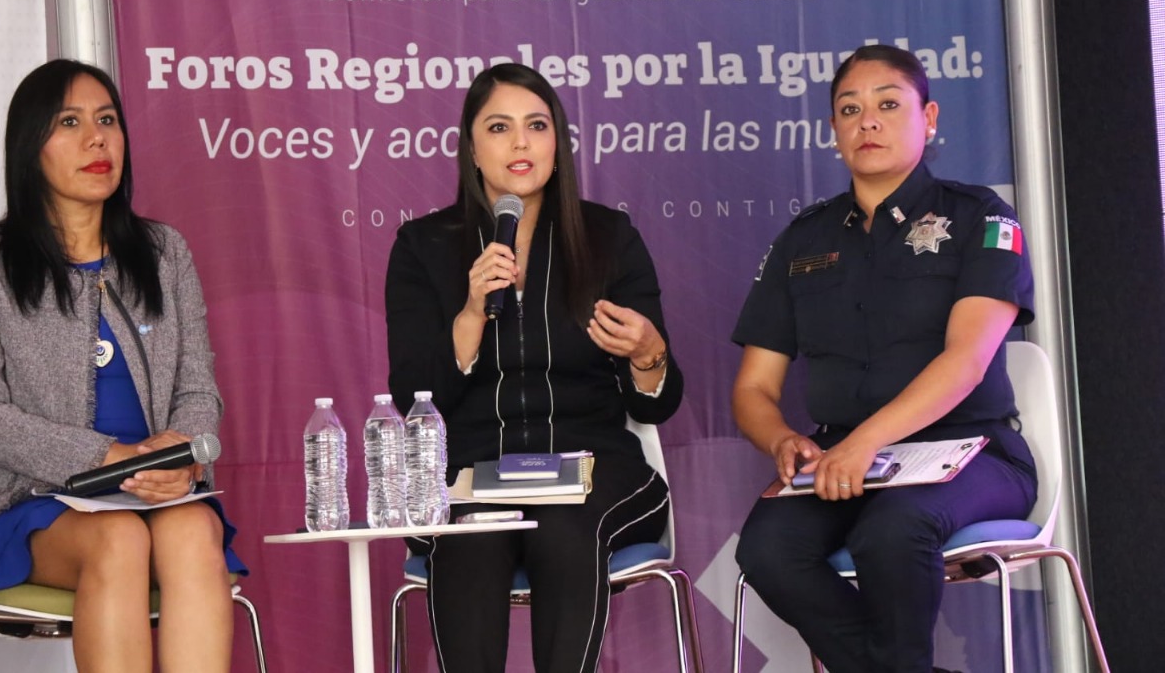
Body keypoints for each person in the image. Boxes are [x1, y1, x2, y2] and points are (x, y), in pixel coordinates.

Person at [730, 44, 1039, 673]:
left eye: (888, 104)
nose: (867, 121)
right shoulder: (802, 240)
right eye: (850, 109)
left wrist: (864, 443)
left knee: (892, 532)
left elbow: (966, 361)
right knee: (767, 548)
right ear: (833, 130)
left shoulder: (980, 216)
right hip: (844, 459)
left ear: (929, 118)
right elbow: (753, 388)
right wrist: (783, 441)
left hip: (971, 451)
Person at [0, 59, 244, 673]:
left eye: (107, 120)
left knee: (193, 532)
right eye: (69, 123)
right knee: (119, 538)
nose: (97, 140)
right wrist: (108, 457)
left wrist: (181, 454)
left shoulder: (164, 252)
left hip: (152, 495)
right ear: (30, 147)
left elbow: (197, 389)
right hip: (28, 503)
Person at [385, 62, 683, 673]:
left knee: (563, 528)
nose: (520, 143)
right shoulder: (424, 246)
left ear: (557, 143)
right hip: (472, 475)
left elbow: (656, 401)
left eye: (537, 126)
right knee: (471, 539)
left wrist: (648, 353)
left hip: (595, 470)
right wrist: (472, 312)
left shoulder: (608, 237)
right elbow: (415, 400)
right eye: (499, 127)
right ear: (472, 148)